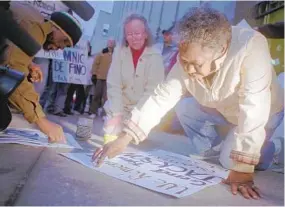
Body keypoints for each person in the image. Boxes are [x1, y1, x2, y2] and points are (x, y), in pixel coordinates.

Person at [93, 7, 284, 199]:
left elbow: (255, 107)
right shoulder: (190, 55)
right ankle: (217, 151)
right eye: (185, 62)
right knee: (184, 108)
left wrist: (243, 167)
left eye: (197, 64)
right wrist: (125, 138)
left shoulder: (251, 46)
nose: (189, 70)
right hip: (226, 110)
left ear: (221, 51)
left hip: (265, 114)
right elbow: (162, 96)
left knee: (231, 162)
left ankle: (272, 148)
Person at [1, 2, 82, 143]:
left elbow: (8, 53)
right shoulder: (35, 28)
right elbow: (10, 73)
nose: (61, 48)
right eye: (64, 42)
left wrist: (29, 64)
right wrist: (41, 120)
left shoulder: (35, 19)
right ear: (57, 28)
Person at [95, 13, 165, 145]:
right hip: (121, 104)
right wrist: (117, 114)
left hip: (142, 107)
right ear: (125, 37)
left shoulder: (155, 56)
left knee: (132, 139)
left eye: (138, 33)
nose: (134, 38)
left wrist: (136, 118)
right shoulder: (119, 52)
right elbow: (113, 84)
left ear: (145, 34)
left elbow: (152, 91)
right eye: (130, 34)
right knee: (110, 132)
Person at [88, 39, 116, 118]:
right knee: (97, 95)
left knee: (106, 98)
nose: (110, 43)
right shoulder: (102, 53)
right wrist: (94, 74)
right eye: (109, 42)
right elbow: (95, 64)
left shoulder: (116, 55)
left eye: (112, 42)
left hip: (110, 80)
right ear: (107, 43)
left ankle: (104, 114)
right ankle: (93, 111)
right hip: (100, 77)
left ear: (114, 44)